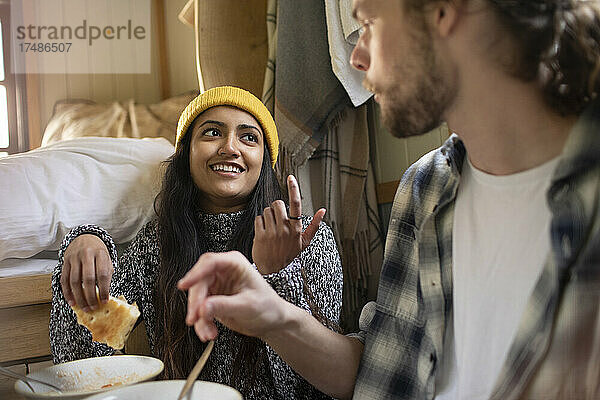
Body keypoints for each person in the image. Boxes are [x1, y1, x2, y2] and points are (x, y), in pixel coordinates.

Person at [177, 1, 600, 399]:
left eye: (368, 24)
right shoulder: (425, 189)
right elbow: (384, 374)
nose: (357, 58)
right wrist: (275, 315)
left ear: (442, 10)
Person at [49, 86, 343, 399]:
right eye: (212, 132)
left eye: (248, 137)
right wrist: (85, 241)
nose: (230, 148)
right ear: (187, 153)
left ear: (264, 161)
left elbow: (311, 389)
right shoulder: (154, 245)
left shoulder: (308, 239)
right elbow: (82, 365)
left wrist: (275, 275)